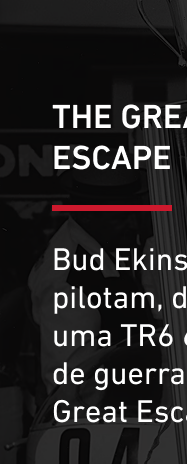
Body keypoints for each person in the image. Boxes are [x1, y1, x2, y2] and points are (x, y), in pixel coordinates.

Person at [28, 165, 156, 395]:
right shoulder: (69, 284)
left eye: (135, 212)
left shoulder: (105, 244)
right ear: (86, 214)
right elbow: (70, 386)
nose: (133, 224)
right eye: (120, 216)